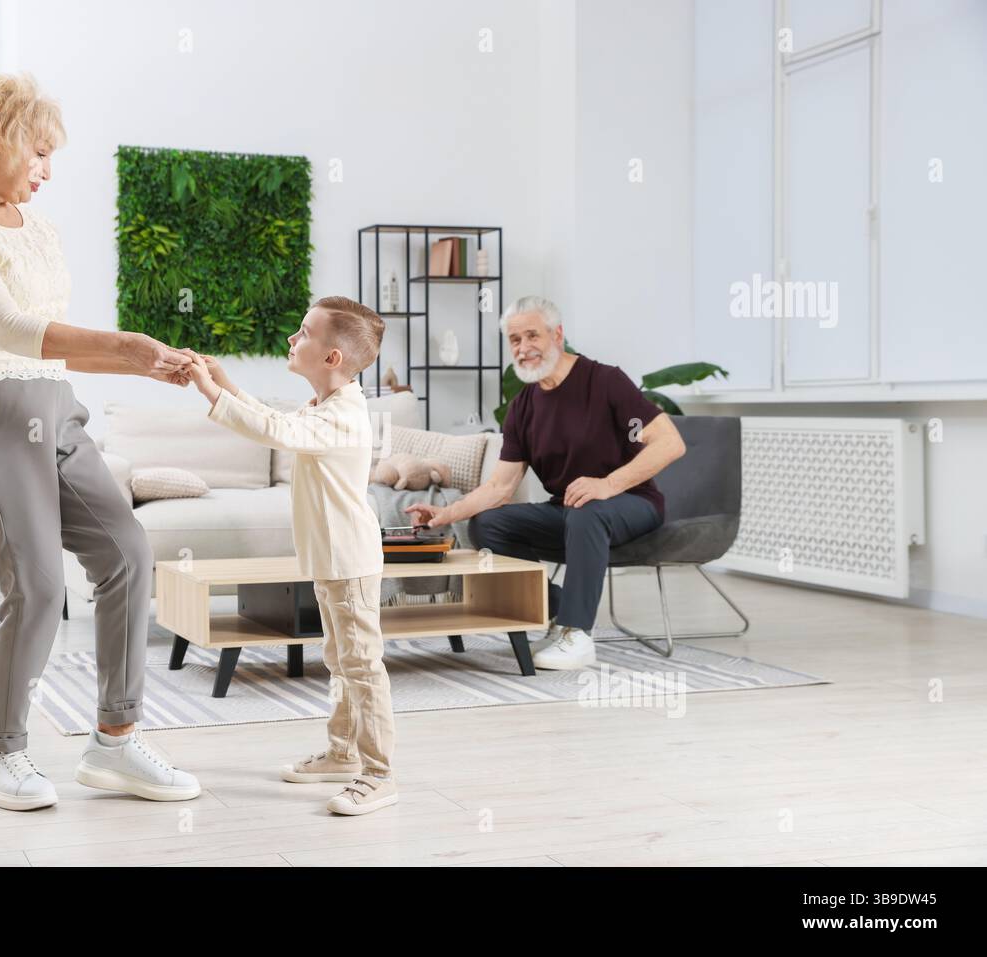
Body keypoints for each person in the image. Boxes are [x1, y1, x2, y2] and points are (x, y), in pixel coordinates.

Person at [0, 72, 200, 811]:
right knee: (37, 585)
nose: (46, 170)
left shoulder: (38, 229)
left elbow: (50, 343)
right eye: (38, 152)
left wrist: (148, 363)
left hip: (52, 402)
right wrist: (129, 345)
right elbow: (8, 329)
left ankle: (115, 740)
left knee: (127, 553)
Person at [184, 297, 398, 815]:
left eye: (303, 332)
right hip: (331, 561)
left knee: (362, 665)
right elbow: (274, 418)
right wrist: (225, 383)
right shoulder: (323, 407)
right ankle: (343, 752)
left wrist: (209, 390)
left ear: (331, 358)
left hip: (349, 562)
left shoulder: (344, 416)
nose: (291, 339)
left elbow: (276, 433)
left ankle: (379, 774)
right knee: (340, 660)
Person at [406, 295, 686, 670]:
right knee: (489, 523)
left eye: (532, 336)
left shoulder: (604, 381)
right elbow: (499, 487)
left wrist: (608, 484)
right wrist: (445, 514)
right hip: (571, 510)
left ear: (557, 335)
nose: (523, 348)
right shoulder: (523, 407)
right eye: (515, 340)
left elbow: (670, 443)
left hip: (632, 502)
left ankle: (578, 633)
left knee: (588, 509)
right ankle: (559, 612)